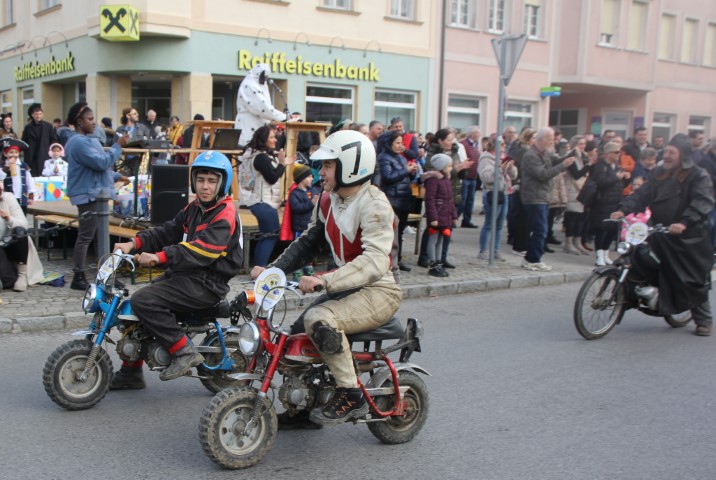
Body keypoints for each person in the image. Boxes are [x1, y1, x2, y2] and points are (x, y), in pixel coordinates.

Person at [252, 129, 400, 427]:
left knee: (319, 319)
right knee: (292, 338)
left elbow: (375, 261)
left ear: (352, 166)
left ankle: (351, 394)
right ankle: (304, 407)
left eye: (329, 165)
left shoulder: (375, 203)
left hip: (379, 291)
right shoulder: (327, 201)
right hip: (347, 290)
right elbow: (308, 244)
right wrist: (273, 270)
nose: (321, 172)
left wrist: (325, 280)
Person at [110, 151, 244, 388]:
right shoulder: (195, 208)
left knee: (145, 301)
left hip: (208, 282)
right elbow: (167, 231)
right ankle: (131, 372)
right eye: (201, 180)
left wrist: (159, 257)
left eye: (212, 181)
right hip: (189, 275)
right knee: (133, 307)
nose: (205, 187)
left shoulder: (226, 212)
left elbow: (203, 250)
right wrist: (133, 243)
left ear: (222, 184)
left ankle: (183, 351)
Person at [612, 134, 715, 337]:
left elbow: (701, 202)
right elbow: (643, 194)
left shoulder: (698, 175)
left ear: (683, 155)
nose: (666, 155)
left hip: (690, 236)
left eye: (671, 152)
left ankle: (703, 319)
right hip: (661, 231)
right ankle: (631, 296)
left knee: (691, 278)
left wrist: (684, 223)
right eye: (666, 151)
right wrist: (623, 209)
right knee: (638, 258)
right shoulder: (660, 173)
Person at [58, 102, 130, 291]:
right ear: (79, 122)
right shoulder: (79, 142)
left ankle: (105, 276)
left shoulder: (89, 140)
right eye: (90, 119)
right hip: (88, 196)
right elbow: (100, 163)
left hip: (96, 194)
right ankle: (79, 276)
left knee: (100, 237)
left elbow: (101, 169)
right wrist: (117, 146)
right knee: (86, 236)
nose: (94, 123)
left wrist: (117, 176)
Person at [520, 127, 575, 272]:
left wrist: (571, 154)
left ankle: (532, 257)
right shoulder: (531, 156)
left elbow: (557, 160)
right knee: (540, 229)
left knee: (541, 229)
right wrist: (563, 166)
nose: (552, 142)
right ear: (540, 140)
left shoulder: (544, 153)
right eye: (549, 139)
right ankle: (533, 259)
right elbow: (543, 174)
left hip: (543, 197)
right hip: (534, 197)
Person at [242, 125, 293, 266]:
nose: (275, 140)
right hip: (262, 202)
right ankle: (260, 268)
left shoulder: (261, 156)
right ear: (263, 139)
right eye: (271, 137)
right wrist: (282, 164)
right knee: (270, 236)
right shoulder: (261, 158)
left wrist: (282, 163)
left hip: (263, 202)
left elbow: (272, 175)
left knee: (267, 236)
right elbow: (272, 177)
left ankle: (259, 268)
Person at [377, 130, 417, 272]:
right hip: (392, 199)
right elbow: (388, 177)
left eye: (402, 143)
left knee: (399, 232)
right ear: (389, 143)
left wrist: (412, 172)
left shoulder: (400, 157)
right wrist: (406, 170)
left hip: (404, 198)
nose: (401, 146)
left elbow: (404, 177)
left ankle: (398, 259)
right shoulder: (384, 158)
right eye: (397, 143)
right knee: (391, 232)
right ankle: (389, 261)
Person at [591, 142, 630, 266]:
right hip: (602, 202)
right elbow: (600, 182)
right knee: (601, 230)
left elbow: (619, 185)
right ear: (608, 153)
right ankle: (599, 255)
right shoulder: (600, 166)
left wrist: (626, 178)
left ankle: (606, 253)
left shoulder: (616, 166)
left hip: (615, 202)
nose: (619, 155)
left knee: (612, 229)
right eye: (616, 152)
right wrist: (616, 178)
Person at [477, 138, 517, 261]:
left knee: (499, 225)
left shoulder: (503, 157)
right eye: (502, 144)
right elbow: (486, 177)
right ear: (494, 145)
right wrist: (499, 168)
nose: (505, 146)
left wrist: (510, 168)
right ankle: (483, 251)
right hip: (492, 193)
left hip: (504, 192)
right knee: (490, 223)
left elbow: (514, 176)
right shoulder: (486, 158)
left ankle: (496, 251)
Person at [0, 181, 44, 291]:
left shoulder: (8, 198)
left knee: (20, 231)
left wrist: (8, 218)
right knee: (7, 281)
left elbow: (24, 224)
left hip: (11, 244)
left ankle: (22, 274)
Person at [234, 63, 286, 147]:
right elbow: (261, 107)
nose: (264, 79)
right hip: (249, 125)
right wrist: (282, 117)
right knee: (248, 150)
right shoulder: (249, 85)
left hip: (259, 127)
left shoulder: (259, 85)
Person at [279, 164, 316, 281]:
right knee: (299, 249)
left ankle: (308, 266)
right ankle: (297, 270)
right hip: (300, 227)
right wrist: (311, 203)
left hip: (310, 226)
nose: (312, 179)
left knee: (309, 249)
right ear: (301, 178)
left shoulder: (312, 190)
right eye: (309, 177)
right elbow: (297, 208)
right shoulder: (295, 193)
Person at [423, 153, 457, 277]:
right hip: (437, 215)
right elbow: (430, 200)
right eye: (449, 166)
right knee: (433, 239)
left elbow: (450, 200)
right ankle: (433, 263)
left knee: (440, 240)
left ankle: (439, 262)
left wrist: (454, 215)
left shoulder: (446, 179)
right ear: (441, 166)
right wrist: (433, 217)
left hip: (445, 216)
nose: (451, 168)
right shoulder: (433, 180)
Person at [506, 128, 536, 255]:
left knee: (528, 219)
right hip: (522, 188)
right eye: (534, 138)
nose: (536, 141)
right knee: (522, 218)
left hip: (529, 188)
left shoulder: (531, 151)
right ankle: (519, 246)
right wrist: (518, 183)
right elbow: (516, 168)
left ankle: (524, 243)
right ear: (528, 139)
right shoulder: (522, 151)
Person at [562, 136, 591, 255]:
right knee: (572, 218)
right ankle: (568, 243)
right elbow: (576, 174)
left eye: (584, 144)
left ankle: (577, 241)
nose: (582, 146)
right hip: (572, 189)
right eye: (580, 144)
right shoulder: (572, 155)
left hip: (581, 190)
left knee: (580, 218)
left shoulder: (582, 156)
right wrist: (589, 165)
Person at [20, 103, 58, 177]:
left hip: (45, 158)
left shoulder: (48, 126)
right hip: (31, 159)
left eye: (40, 114)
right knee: (32, 180)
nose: (38, 116)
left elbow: (53, 140)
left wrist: (53, 152)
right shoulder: (28, 128)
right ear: (32, 115)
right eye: (36, 114)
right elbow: (23, 142)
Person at [0, 145, 37, 214]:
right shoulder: (3, 165)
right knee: (11, 215)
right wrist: (7, 166)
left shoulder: (23, 165)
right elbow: (1, 177)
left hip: (22, 196)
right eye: (11, 152)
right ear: (5, 154)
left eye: (16, 152)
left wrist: (31, 196)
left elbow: (29, 181)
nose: (14, 154)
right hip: (9, 197)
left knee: (23, 214)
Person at [459, 126, 481, 228]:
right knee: (462, 200)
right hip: (465, 176)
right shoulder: (464, 144)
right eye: (477, 133)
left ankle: (467, 220)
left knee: (470, 200)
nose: (479, 135)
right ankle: (455, 218)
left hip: (473, 176)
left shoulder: (475, 145)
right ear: (472, 134)